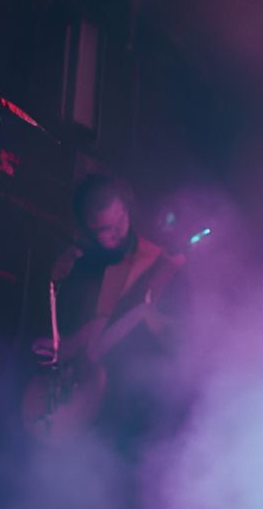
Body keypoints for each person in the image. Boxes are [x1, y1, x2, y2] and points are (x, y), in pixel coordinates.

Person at [30, 172, 188, 447]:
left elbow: (180, 340)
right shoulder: (80, 266)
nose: (119, 232)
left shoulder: (156, 263)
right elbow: (66, 334)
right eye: (106, 229)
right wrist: (55, 346)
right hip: (78, 408)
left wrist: (157, 324)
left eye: (122, 220)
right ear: (88, 229)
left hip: (129, 410)